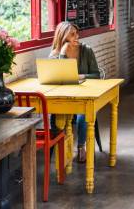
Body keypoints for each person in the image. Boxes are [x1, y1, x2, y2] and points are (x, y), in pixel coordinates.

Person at [49, 21, 101, 163]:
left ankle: (80, 146)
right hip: (64, 96)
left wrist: (81, 76)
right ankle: (63, 148)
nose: (76, 36)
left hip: (84, 95)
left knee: (83, 113)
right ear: (63, 36)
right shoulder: (55, 54)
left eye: (76, 33)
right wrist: (62, 54)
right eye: (72, 34)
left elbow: (97, 75)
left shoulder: (86, 50)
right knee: (59, 117)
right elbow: (58, 77)